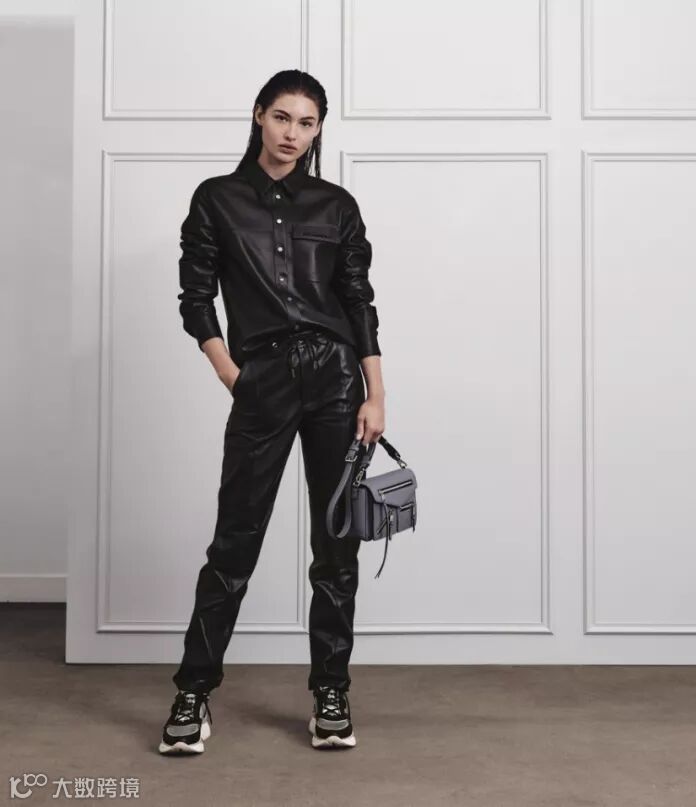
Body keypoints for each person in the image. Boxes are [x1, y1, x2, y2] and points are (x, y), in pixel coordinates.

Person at [158, 70, 385, 754]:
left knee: (336, 545)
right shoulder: (217, 199)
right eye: (282, 117)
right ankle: (193, 692)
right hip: (263, 378)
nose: (292, 133)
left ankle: (331, 693)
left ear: (318, 131)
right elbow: (195, 298)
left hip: (337, 381)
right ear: (259, 115)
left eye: (306, 123)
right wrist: (235, 375)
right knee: (235, 541)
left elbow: (358, 300)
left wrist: (376, 393)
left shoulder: (336, 206)